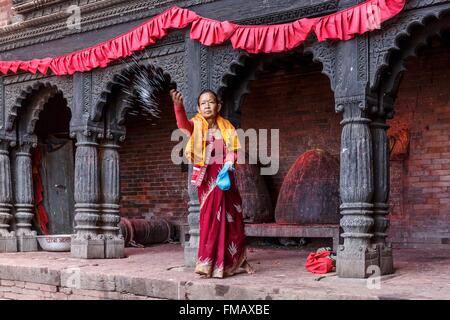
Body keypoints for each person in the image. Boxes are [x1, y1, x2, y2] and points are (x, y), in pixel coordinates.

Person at [170, 89, 254, 278]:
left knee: (233, 219)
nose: (207, 106)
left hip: (226, 177)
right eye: (203, 103)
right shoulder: (196, 125)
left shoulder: (227, 127)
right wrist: (178, 108)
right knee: (211, 220)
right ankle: (209, 264)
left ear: (219, 106)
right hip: (207, 180)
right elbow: (183, 125)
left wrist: (229, 163)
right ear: (199, 108)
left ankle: (235, 262)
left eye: (211, 102)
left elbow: (234, 150)